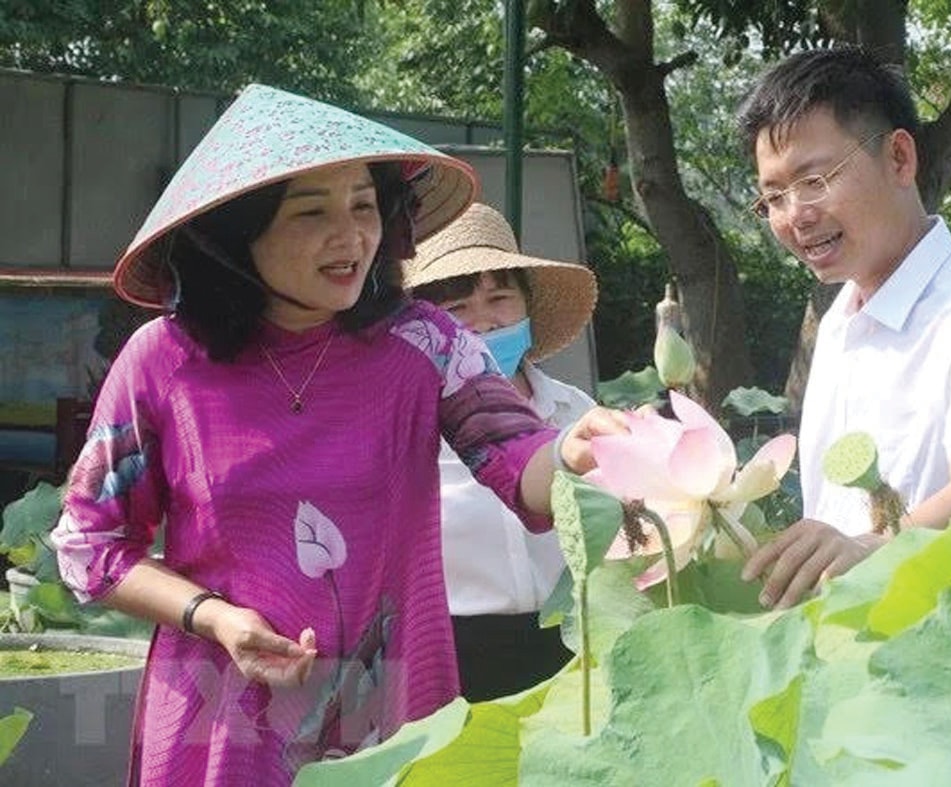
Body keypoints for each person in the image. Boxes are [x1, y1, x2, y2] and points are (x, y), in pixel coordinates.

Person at [49, 84, 624, 785]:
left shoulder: (427, 343)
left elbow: (512, 453)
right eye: (311, 211)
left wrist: (573, 450)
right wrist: (212, 617)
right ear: (239, 232)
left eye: (363, 204)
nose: (350, 235)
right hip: (219, 718)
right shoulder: (163, 360)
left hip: (393, 715)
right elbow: (91, 545)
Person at [736, 46, 951, 608]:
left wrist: (873, 548)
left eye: (814, 180)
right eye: (774, 197)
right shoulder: (840, 318)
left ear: (900, 158)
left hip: (940, 653)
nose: (794, 215)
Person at [403, 202, 598, 700]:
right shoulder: (403, 430)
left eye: (500, 297)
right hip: (448, 652)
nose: (483, 323)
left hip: (572, 644)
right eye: (457, 309)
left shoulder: (578, 413)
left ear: (528, 305)